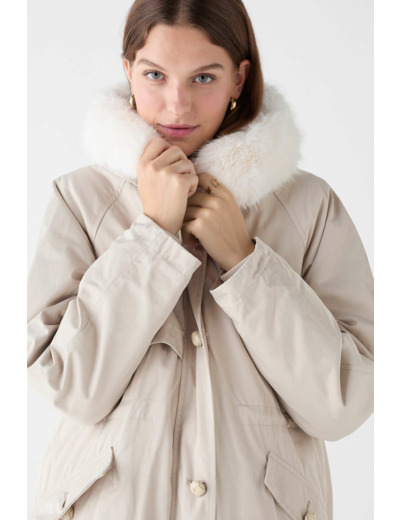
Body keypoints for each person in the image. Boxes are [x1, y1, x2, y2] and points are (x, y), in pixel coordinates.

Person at [27, 0, 374, 519]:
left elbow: (344, 401)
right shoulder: (80, 200)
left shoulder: (308, 207)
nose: (177, 105)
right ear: (128, 71)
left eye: (203, 78)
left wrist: (245, 261)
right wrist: (151, 238)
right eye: (155, 75)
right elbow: (68, 385)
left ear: (239, 79)